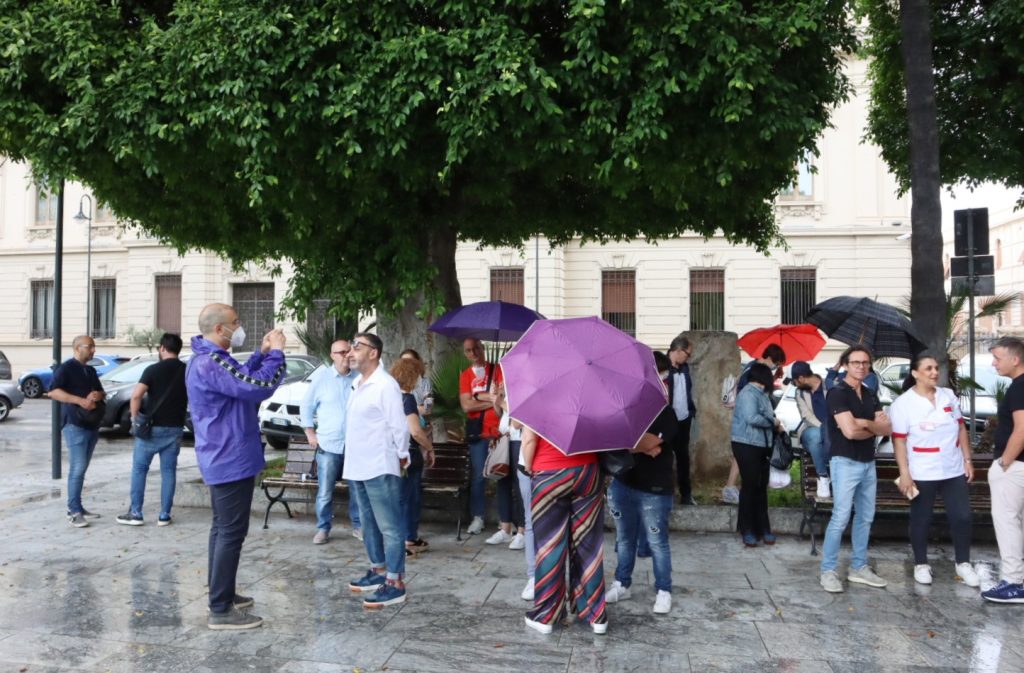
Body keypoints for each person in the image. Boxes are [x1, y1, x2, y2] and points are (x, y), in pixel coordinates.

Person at [186, 303, 287, 630]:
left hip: (224, 455)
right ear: (219, 329)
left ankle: (224, 593)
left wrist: (259, 354)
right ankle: (220, 608)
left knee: (224, 530)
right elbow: (258, 387)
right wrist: (277, 355)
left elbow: (241, 380)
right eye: (235, 322)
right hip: (229, 456)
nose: (239, 327)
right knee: (230, 532)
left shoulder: (208, 359)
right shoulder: (211, 361)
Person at [889, 353, 979, 587]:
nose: (934, 373)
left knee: (962, 516)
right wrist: (905, 472)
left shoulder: (947, 396)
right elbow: (899, 441)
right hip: (922, 470)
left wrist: (967, 460)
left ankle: (963, 563)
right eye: (928, 368)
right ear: (915, 373)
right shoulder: (903, 404)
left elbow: (961, 428)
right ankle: (921, 564)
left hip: (952, 467)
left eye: (936, 368)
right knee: (921, 518)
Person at [606, 351, 679, 613]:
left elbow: (649, 442)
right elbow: (614, 440)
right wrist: (640, 446)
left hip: (655, 490)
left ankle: (663, 590)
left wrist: (634, 444)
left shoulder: (666, 413)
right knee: (624, 539)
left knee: (657, 542)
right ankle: (621, 583)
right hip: (623, 483)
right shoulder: (626, 407)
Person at [344, 332, 411, 608]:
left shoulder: (385, 385)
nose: (350, 351)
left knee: (390, 527)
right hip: (358, 465)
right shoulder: (358, 383)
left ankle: (395, 581)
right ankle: (378, 569)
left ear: (373, 352)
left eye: (356, 346)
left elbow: (399, 425)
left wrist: (403, 455)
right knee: (367, 524)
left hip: (379, 465)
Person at [521, 426, 608, 635]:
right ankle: (596, 615)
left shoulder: (538, 394)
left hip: (550, 471)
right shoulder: (591, 394)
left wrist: (529, 468)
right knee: (589, 545)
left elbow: (529, 440)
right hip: (588, 470)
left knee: (550, 545)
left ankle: (546, 615)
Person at [819, 344, 891, 594]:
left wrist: (863, 423)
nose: (861, 366)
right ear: (846, 365)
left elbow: (887, 428)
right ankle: (828, 571)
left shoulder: (871, 394)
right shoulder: (837, 393)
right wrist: (870, 426)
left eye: (865, 363)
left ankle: (859, 566)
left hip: (867, 462)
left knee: (866, 517)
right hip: (844, 461)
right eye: (856, 362)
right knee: (840, 517)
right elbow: (849, 431)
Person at [116, 333, 188, 527]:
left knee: (140, 470)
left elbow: (136, 396)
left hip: (151, 429)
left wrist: (134, 417)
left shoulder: (153, 369)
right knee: (169, 472)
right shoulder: (187, 370)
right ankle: (164, 515)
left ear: (162, 348)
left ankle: (136, 513)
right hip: (174, 428)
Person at [301, 339, 360, 545]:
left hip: (355, 445)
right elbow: (306, 406)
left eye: (348, 351)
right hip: (329, 444)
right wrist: (310, 433)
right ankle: (323, 528)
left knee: (357, 489)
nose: (346, 355)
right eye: (341, 352)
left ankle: (358, 526)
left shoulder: (359, 377)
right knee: (325, 491)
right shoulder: (322, 378)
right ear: (332, 355)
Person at [48, 335, 107, 528]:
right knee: (78, 467)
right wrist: (80, 401)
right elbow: (53, 391)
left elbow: (101, 392)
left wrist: (98, 394)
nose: (93, 350)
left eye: (93, 347)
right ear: (77, 348)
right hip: (74, 423)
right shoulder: (65, 368)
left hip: (91, 423)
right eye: (89, 346)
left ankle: (78, 507)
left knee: (82, 468)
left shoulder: (90, 370)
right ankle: (73, 510)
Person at [982, 337, 1024, 603]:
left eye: (998, 358)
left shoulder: (1019, 387)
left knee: (1007, 522)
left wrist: (1004, 462)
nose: (994, 363)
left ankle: (1014, 582)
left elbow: (1021, 429)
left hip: (1015, 467)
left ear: (1015, 359)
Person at [722, 344, 787, 504]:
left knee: (742, 459)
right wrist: (772, 421)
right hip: (747, 426)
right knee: (742, 457)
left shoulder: (758, 369)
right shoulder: (753, 370)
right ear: (770, 358)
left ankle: (733, 487)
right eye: (777, 362)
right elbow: (750, 398)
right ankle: (731, 487)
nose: (777, 366)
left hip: (750, 426)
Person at [459, 338, 506, 536]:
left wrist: (477, 396)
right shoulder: (465, 376)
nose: (473, 353)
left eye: (476, 348)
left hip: (499, 431)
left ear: (482, 348)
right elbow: (466, 406)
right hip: (478, 433)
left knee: (502, 474)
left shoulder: (497, 370)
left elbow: (503, 396)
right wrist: (489, 399)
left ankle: (505, 521)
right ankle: (478, 517)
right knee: (478, 477)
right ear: (465, 353)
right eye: (469, 350)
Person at [729, 362, 779, 547]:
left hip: (761, 445)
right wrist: (773, 422)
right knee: (749, 487)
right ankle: (746, 528)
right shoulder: (749, 393)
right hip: (746, 444)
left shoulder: (763, 395)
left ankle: (763, 528)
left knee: (760, 487)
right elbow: (752, 418)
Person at [390, 357, 435, 555]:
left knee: (398, 498)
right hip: (408, 455)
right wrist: (430, 447)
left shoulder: (388, 396)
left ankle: (403, 539)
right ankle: (407, 539)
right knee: (409, 499)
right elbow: (415, 431)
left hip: (390, 454)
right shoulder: (407, 399)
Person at [792, 361, 831, 499]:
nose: (796, 385)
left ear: (802, 378)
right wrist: (823, 428)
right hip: (811, 429)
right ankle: (823, 477)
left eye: (796, 381)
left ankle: (834, 475)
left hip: (833, 430)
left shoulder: (829, 385)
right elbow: (806, 415)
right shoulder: (800, 393)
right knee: (816, 437)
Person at [667, 336, 697, 506]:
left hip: (684, 419)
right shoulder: (662, 367)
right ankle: (667, 493)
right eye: (687, 354)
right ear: (677, 351)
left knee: (683, 458)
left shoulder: (685, 369)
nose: (688, 357)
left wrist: (691, 411)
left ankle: (686, 494)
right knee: (665, 458)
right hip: (668, 419)